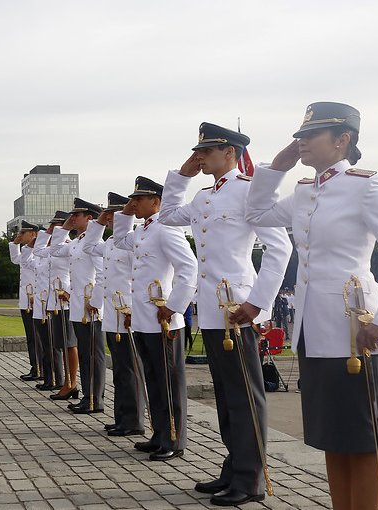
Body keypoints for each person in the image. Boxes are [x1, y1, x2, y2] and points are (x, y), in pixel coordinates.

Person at [245, 102, 378, 510]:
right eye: (300, 135)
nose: (301, 142)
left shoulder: (367, 185)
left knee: (364, 437)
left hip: (357, 330)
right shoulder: (305, 191)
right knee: (332, 435)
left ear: (342, 140)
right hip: (315, 329)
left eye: (311, 135)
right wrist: (276, 167)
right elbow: (255, 212)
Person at [159, 123, 292, 505]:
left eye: (206, 151)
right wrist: (180, 178)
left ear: (230, 152)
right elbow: (167, 217)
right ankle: (234, 468)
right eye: (198, 152)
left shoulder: (249, 191)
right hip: (214, 312)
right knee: (225, 394)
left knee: (245, 395)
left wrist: (257, 303)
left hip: (239, 311)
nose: (199, 157)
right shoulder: (202, 197)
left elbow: (278, 249)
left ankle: (250, 479)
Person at [114, 176, 197, 461]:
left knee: (169, 383)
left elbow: (189, 268)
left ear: (156, 202)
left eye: (139, 199)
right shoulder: (142, 231)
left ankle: (174, 439)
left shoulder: (166, 229)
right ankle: (159, 434)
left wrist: (174, 306)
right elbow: (118, 240)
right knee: (153, 379)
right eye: (132, 199)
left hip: (164, 320)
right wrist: (124, 213)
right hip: (144, 320)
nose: (133, 203)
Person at [83, 193, 146, 437]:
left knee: (130, 368)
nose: (110, 219)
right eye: (108, 215)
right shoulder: (111, 243)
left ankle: (134, 420)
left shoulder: (132, 241)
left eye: (113, 214)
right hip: (112, 313)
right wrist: (97, 223)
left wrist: (133, 308)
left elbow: (137, 275)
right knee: (120, 369)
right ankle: (122, 417)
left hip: (127, 311)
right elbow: (89, 246)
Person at [51, 198, 106, 415]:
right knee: (85, 354)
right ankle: (87, 395)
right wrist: (64, 229)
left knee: (93, 354)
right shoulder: (76, 243)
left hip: (90, 308)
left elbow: (103, 274)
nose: (72, 218)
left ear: (90, 218)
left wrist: (95, 302)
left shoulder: (95, 244)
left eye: (77, 215)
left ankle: (95, 399)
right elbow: (55, 250)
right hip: (78, 307)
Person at [37, 211, 78, 401]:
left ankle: (71, 383)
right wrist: (47, 233)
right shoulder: (55, 247)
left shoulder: (69, 246)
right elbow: (38, 251)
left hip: (66, 300)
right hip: (55, 302)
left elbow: (78, 272)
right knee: (61, 344)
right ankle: (67, 383)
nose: (52, 228)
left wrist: (70, 292)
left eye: (56, 225)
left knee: (70, 344)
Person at [9, 222, 41, 382]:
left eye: (24, 233)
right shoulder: (27, 251)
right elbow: (16, 259)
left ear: (33, 234)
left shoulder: (41, 251)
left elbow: (33, 266)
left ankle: (41, 367)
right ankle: (35, 366)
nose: (21, 235)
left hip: (36, 299)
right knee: (31, 336)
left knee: (38, 337)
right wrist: (15, 243)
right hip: (26, 300)